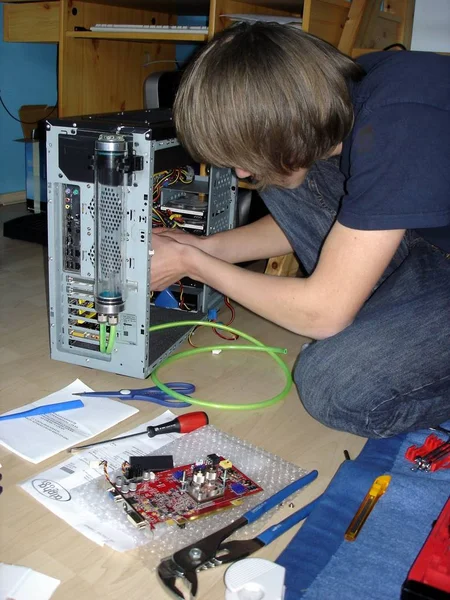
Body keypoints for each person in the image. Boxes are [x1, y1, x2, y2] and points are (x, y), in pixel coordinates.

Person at [150, 22, 450, 439]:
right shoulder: (339, 96)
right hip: (431, 245)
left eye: (240, 156)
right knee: (284, 177)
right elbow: (347, 217)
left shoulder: (399, 123)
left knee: (334, 386)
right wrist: (209, 248)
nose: (239, 172)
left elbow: (322, 316)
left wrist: (192, 264)